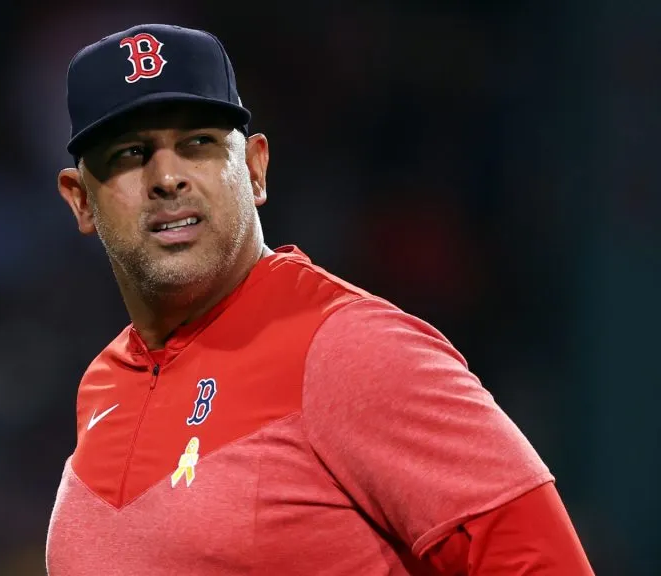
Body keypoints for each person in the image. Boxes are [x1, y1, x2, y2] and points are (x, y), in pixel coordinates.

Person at [45, 23, 594, 575]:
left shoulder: (349, 347)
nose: (167, 177)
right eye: (131, 154)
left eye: (198, 144)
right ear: (80, 200)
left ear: (255, 169)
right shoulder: (105, 383)